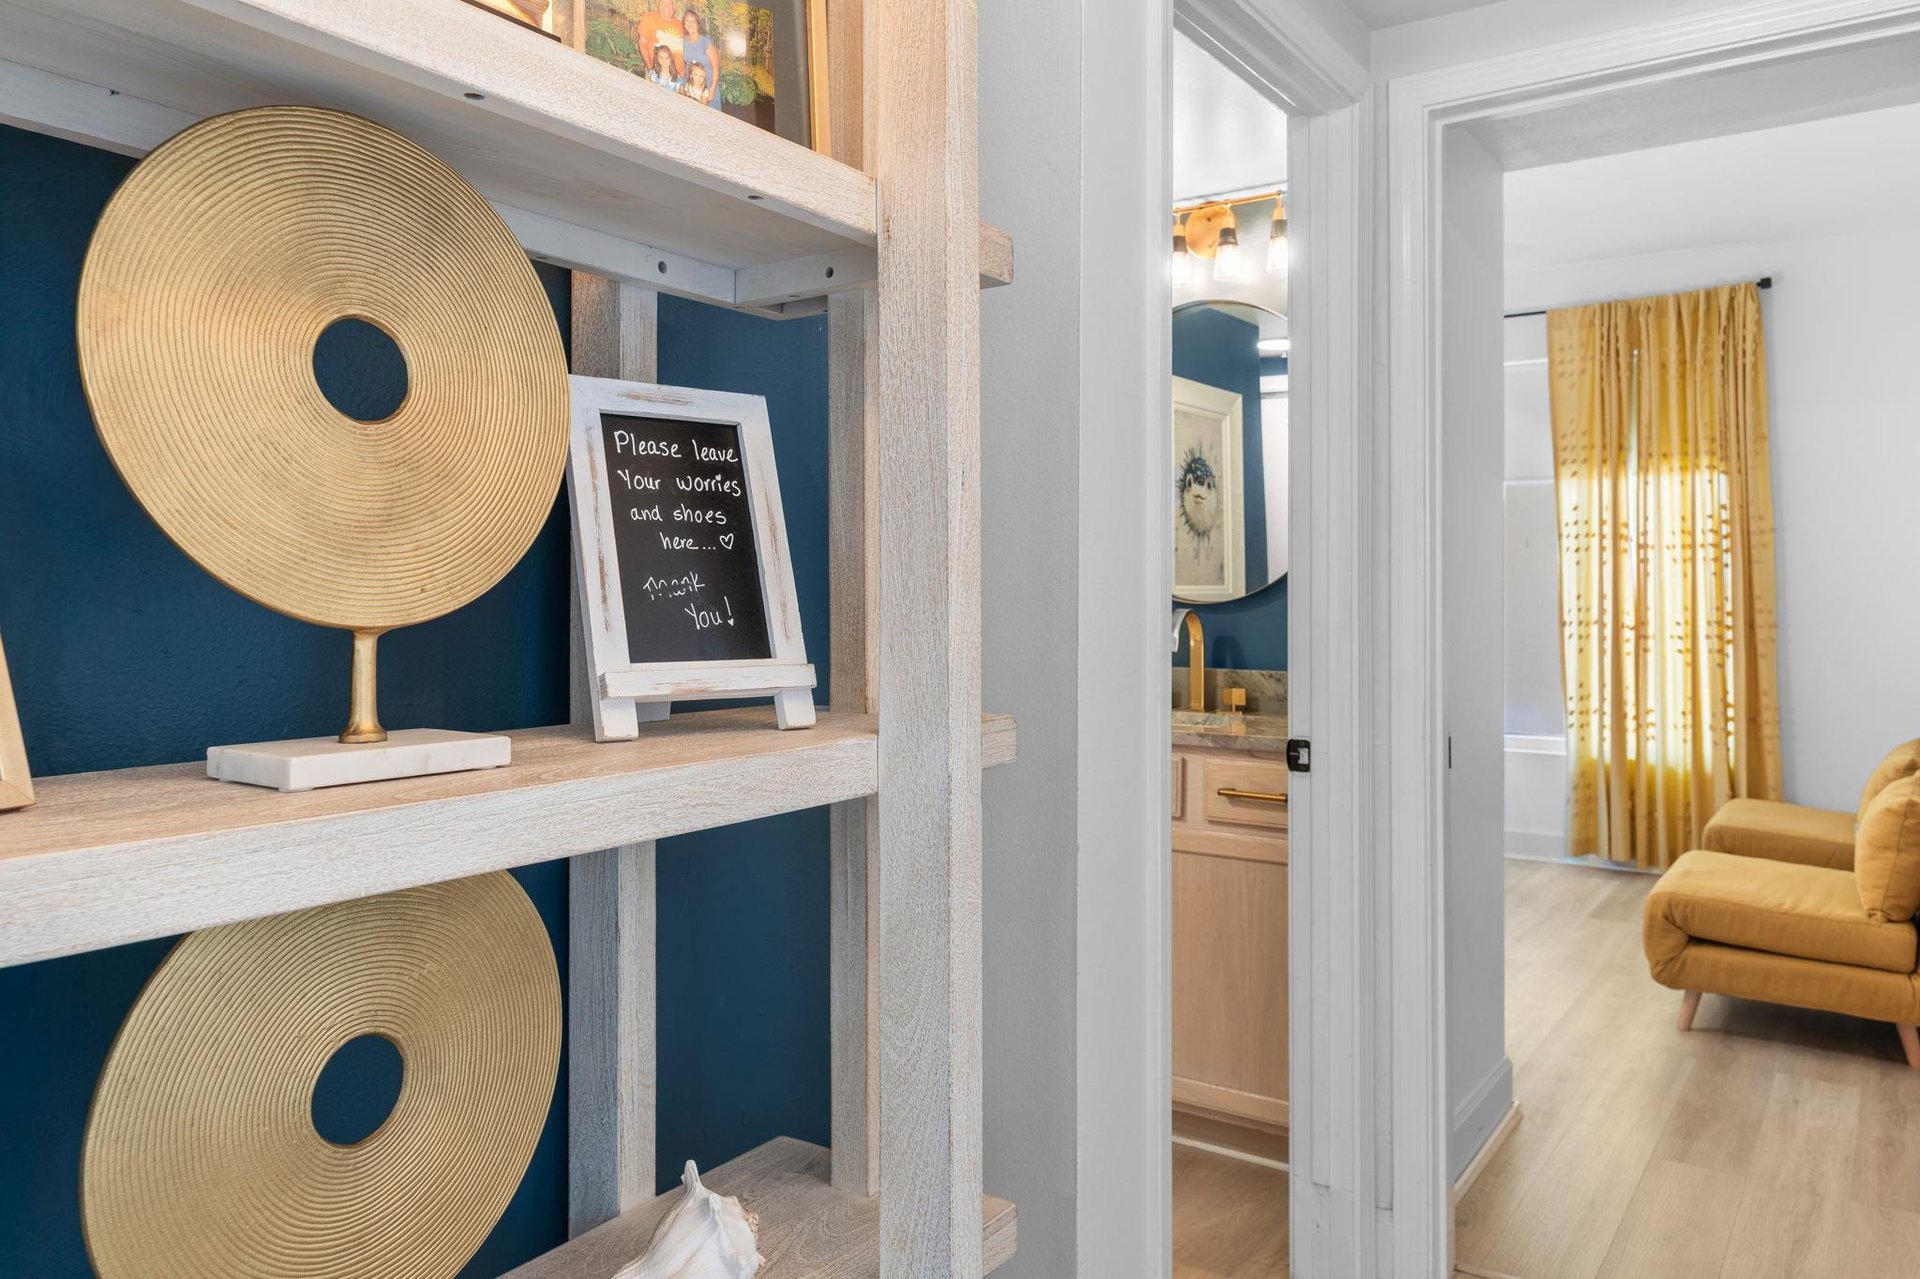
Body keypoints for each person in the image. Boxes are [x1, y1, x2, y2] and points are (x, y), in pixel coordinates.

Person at [634, 0, 685, 78]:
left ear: (674, 7)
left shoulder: (681, 25)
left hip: (678, 77)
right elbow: (642, 44)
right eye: (663, 3)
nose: (666, 6)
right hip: (657, 75)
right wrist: (650, 67)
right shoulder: (649, 19)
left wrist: (683, 74)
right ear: (658, 5)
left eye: (669, 3)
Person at [679, 8, 719, 108]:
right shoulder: (684, 41)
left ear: (698, 24)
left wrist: (712, 88)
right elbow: (686, 64)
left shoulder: (706, 42)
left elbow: (716, 67)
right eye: (687, 21)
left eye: (693, 21)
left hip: (708, 85)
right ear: (684, 23)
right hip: (691, 85)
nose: (690, 24)